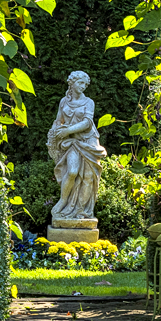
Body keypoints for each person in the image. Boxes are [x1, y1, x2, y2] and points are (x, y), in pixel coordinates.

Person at [47, 69, 106, 221]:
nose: (83, 86)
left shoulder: (89, 102)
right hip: (72, 141)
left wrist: (67, 131)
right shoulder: (64, 101)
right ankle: (63, 201)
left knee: (88, 177)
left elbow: (87, 123)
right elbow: (58, 121)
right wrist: (54, 135)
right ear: (72, 83)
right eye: (80, 83)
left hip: (88, 141)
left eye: (85, 84)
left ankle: (81, 211)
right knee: (72, 171)